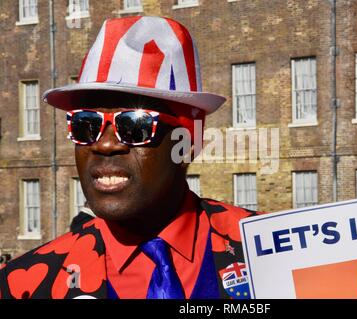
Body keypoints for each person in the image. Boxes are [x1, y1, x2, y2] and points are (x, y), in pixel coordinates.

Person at [0, 16, 260, 299]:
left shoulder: (274, 250)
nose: (106, 144)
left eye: (134, 126)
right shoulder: (21, 286)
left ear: (186, 144)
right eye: (85, 124)